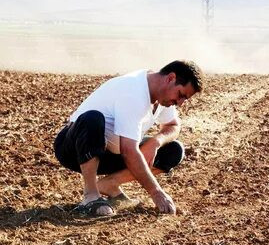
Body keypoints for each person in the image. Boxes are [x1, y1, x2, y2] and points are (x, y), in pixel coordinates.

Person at [53, 60, 204, 216]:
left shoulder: (162, 96)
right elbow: (129, 151)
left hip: (111, 152)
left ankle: (110, 184)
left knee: (173, 150)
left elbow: (173, 125)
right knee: (92, 118)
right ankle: (90, 196)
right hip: (75, 148)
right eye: (180, 95)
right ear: (170, 78)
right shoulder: (134, 91)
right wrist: (156, 193)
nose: (179, 103)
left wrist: (155, 142)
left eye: (184, 99)